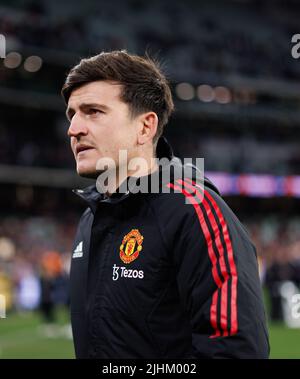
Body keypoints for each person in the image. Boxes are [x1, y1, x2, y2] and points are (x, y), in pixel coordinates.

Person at [61, 50, 269, 359]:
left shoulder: (194, 210)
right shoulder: (90, 219)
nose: (74, 129)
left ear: (145, 127)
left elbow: (237, 351)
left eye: (93, 111)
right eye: (72, 114)